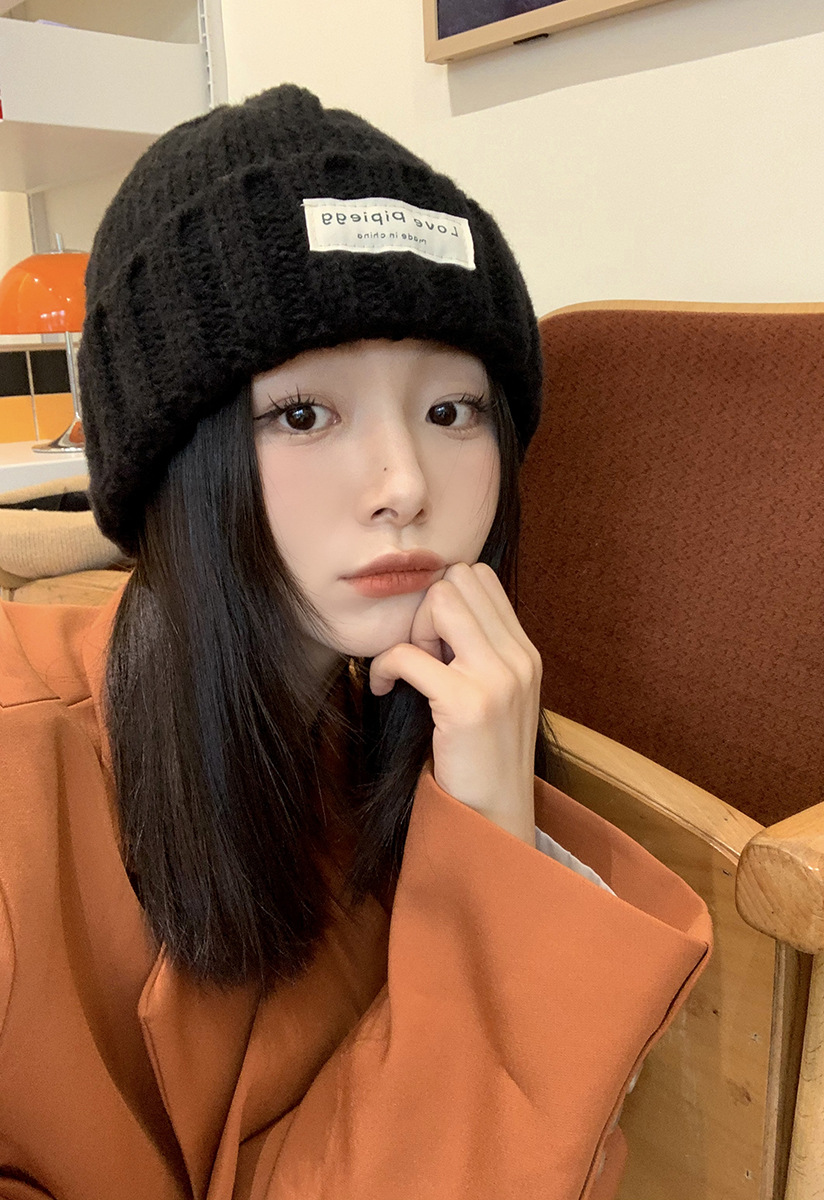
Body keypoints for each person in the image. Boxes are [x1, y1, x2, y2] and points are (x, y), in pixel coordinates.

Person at [0, 86, 710, 1200]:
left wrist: (491, 839)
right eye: (303, 414)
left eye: (450, 411)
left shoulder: (404, 743)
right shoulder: (20, 774)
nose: (404, 485)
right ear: (174, 461)